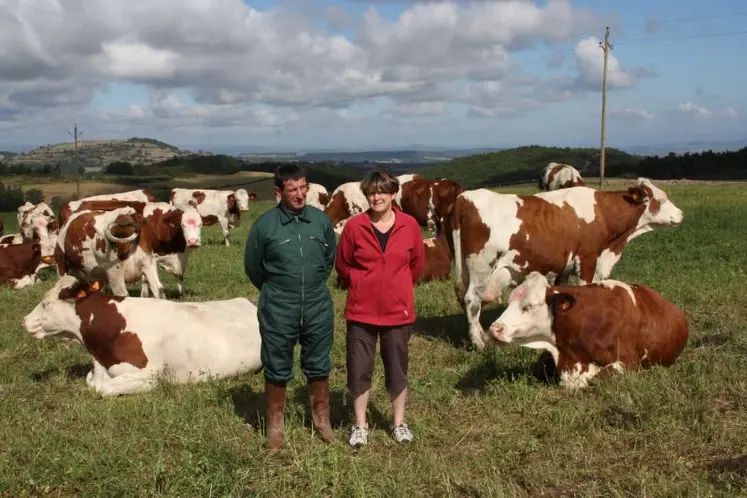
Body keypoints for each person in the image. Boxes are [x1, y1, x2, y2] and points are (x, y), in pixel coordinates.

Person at [244, 164, 337, 452]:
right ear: (279, 192)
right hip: (279, 304)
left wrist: (310, 286)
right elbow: (252, 267)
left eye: (303, 188)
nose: (299, 195)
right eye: (292, 189)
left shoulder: (321, 222)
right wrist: (278, 291)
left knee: (319, 362)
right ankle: (275, 426)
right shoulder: (265, 226)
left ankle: (321, 421)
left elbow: (327, 260)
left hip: (316, 302)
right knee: (276, 363)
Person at [335, 170, 425, 448]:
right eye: (372, 192)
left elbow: (417, 265)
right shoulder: (354, 226)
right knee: (359, 370)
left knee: (397, 369)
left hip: (398, 312)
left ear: (393, 193)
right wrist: (365, 283)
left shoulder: (410, 225)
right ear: (366, 195)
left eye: (382, 191)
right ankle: (360, 425)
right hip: (361, 312)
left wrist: (395, 286)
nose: (377, 197)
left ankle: (398, 423)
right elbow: (343, 264)